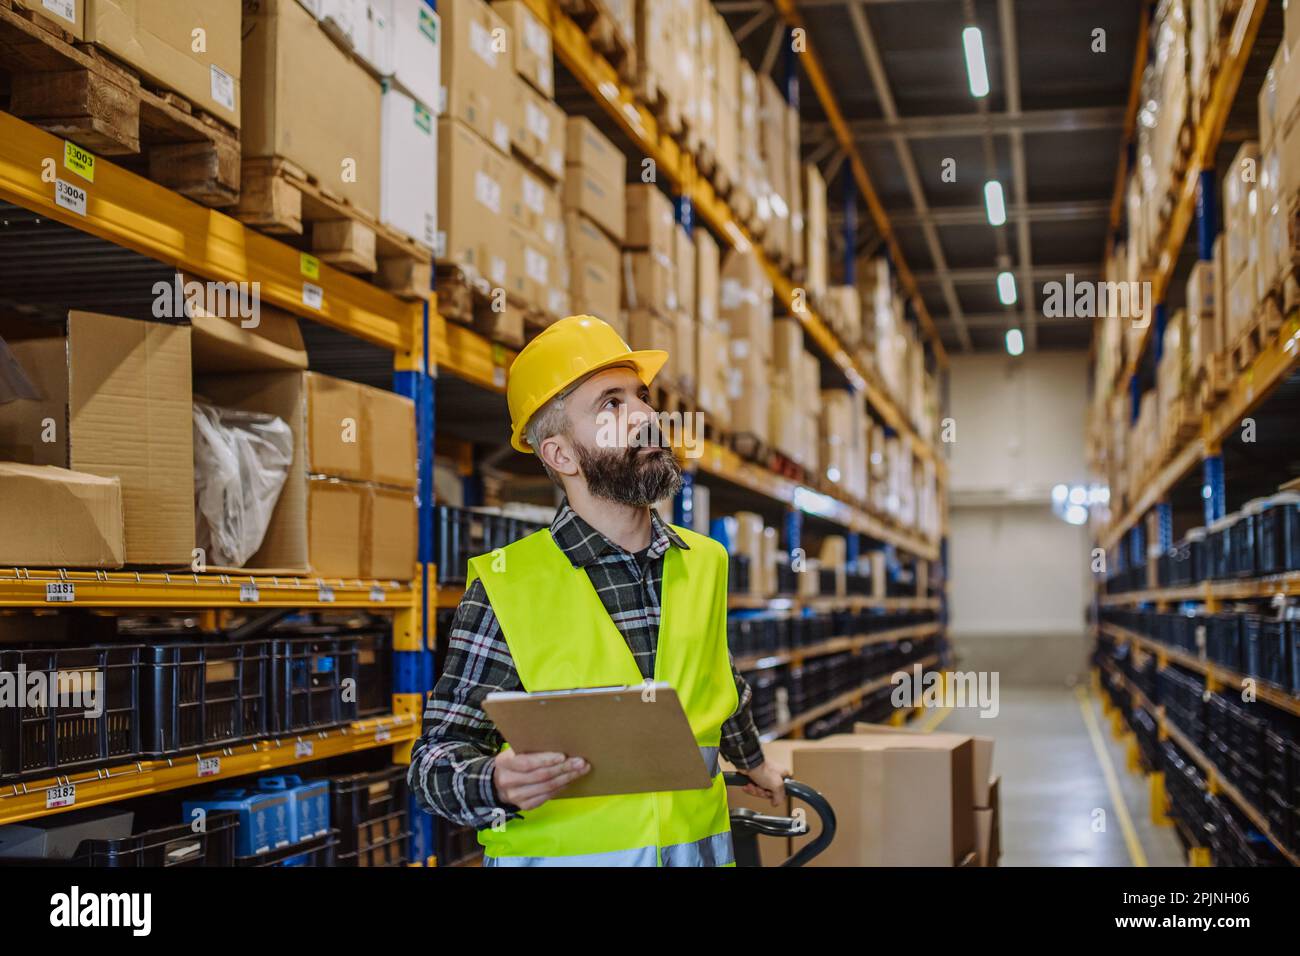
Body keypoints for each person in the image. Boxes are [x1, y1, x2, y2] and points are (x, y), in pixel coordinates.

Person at [409, 314, 787, 866]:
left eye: (641, 396)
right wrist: (491, 781)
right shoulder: (509, 587)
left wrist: (754, 762)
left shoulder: (704, 562)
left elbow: (717, 684)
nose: (646, 416)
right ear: (561, 456)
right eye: (611, 405)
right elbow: (432, 762)